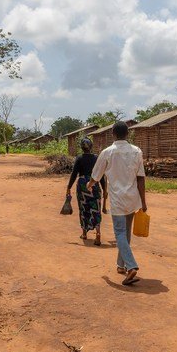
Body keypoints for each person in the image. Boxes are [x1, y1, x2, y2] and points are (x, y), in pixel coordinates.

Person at [85, 121, 147, 286]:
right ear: (128, 133)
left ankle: (132, 266)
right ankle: (121, 265)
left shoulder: (107, 153)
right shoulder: (136, 151)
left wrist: (89, 184)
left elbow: (96, 175)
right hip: (133, 199)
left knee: (119, 233)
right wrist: (143, 201)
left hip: (118, 200)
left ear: (112, 133)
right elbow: (141, 177)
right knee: (125, 233)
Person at [66, 137, 107, 245]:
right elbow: (101, 175)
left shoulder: (79, 158)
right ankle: (98, 234)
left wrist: (68, 187)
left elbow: (74, 174)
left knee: (83, 208)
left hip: (82, 185)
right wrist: (104, 189)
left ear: (81, 147)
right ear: (91, 146)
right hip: (94, 184)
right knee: (96, 209)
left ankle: (84, 233)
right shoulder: (96, 158)